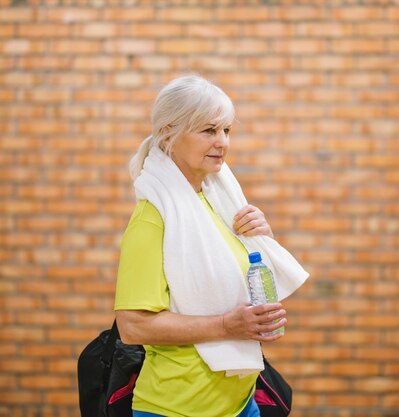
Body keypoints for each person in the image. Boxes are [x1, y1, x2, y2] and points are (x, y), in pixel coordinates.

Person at [114, 75, 307, 417]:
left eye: (227, 131)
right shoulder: (152, 218)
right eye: (208, 130)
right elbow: (133, 326)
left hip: (241, 403)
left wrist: (260, 237)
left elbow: (242, 278)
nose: (222, 142)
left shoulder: (219, 203)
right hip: (176, 408)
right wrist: (225, 326)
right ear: (169, 133)